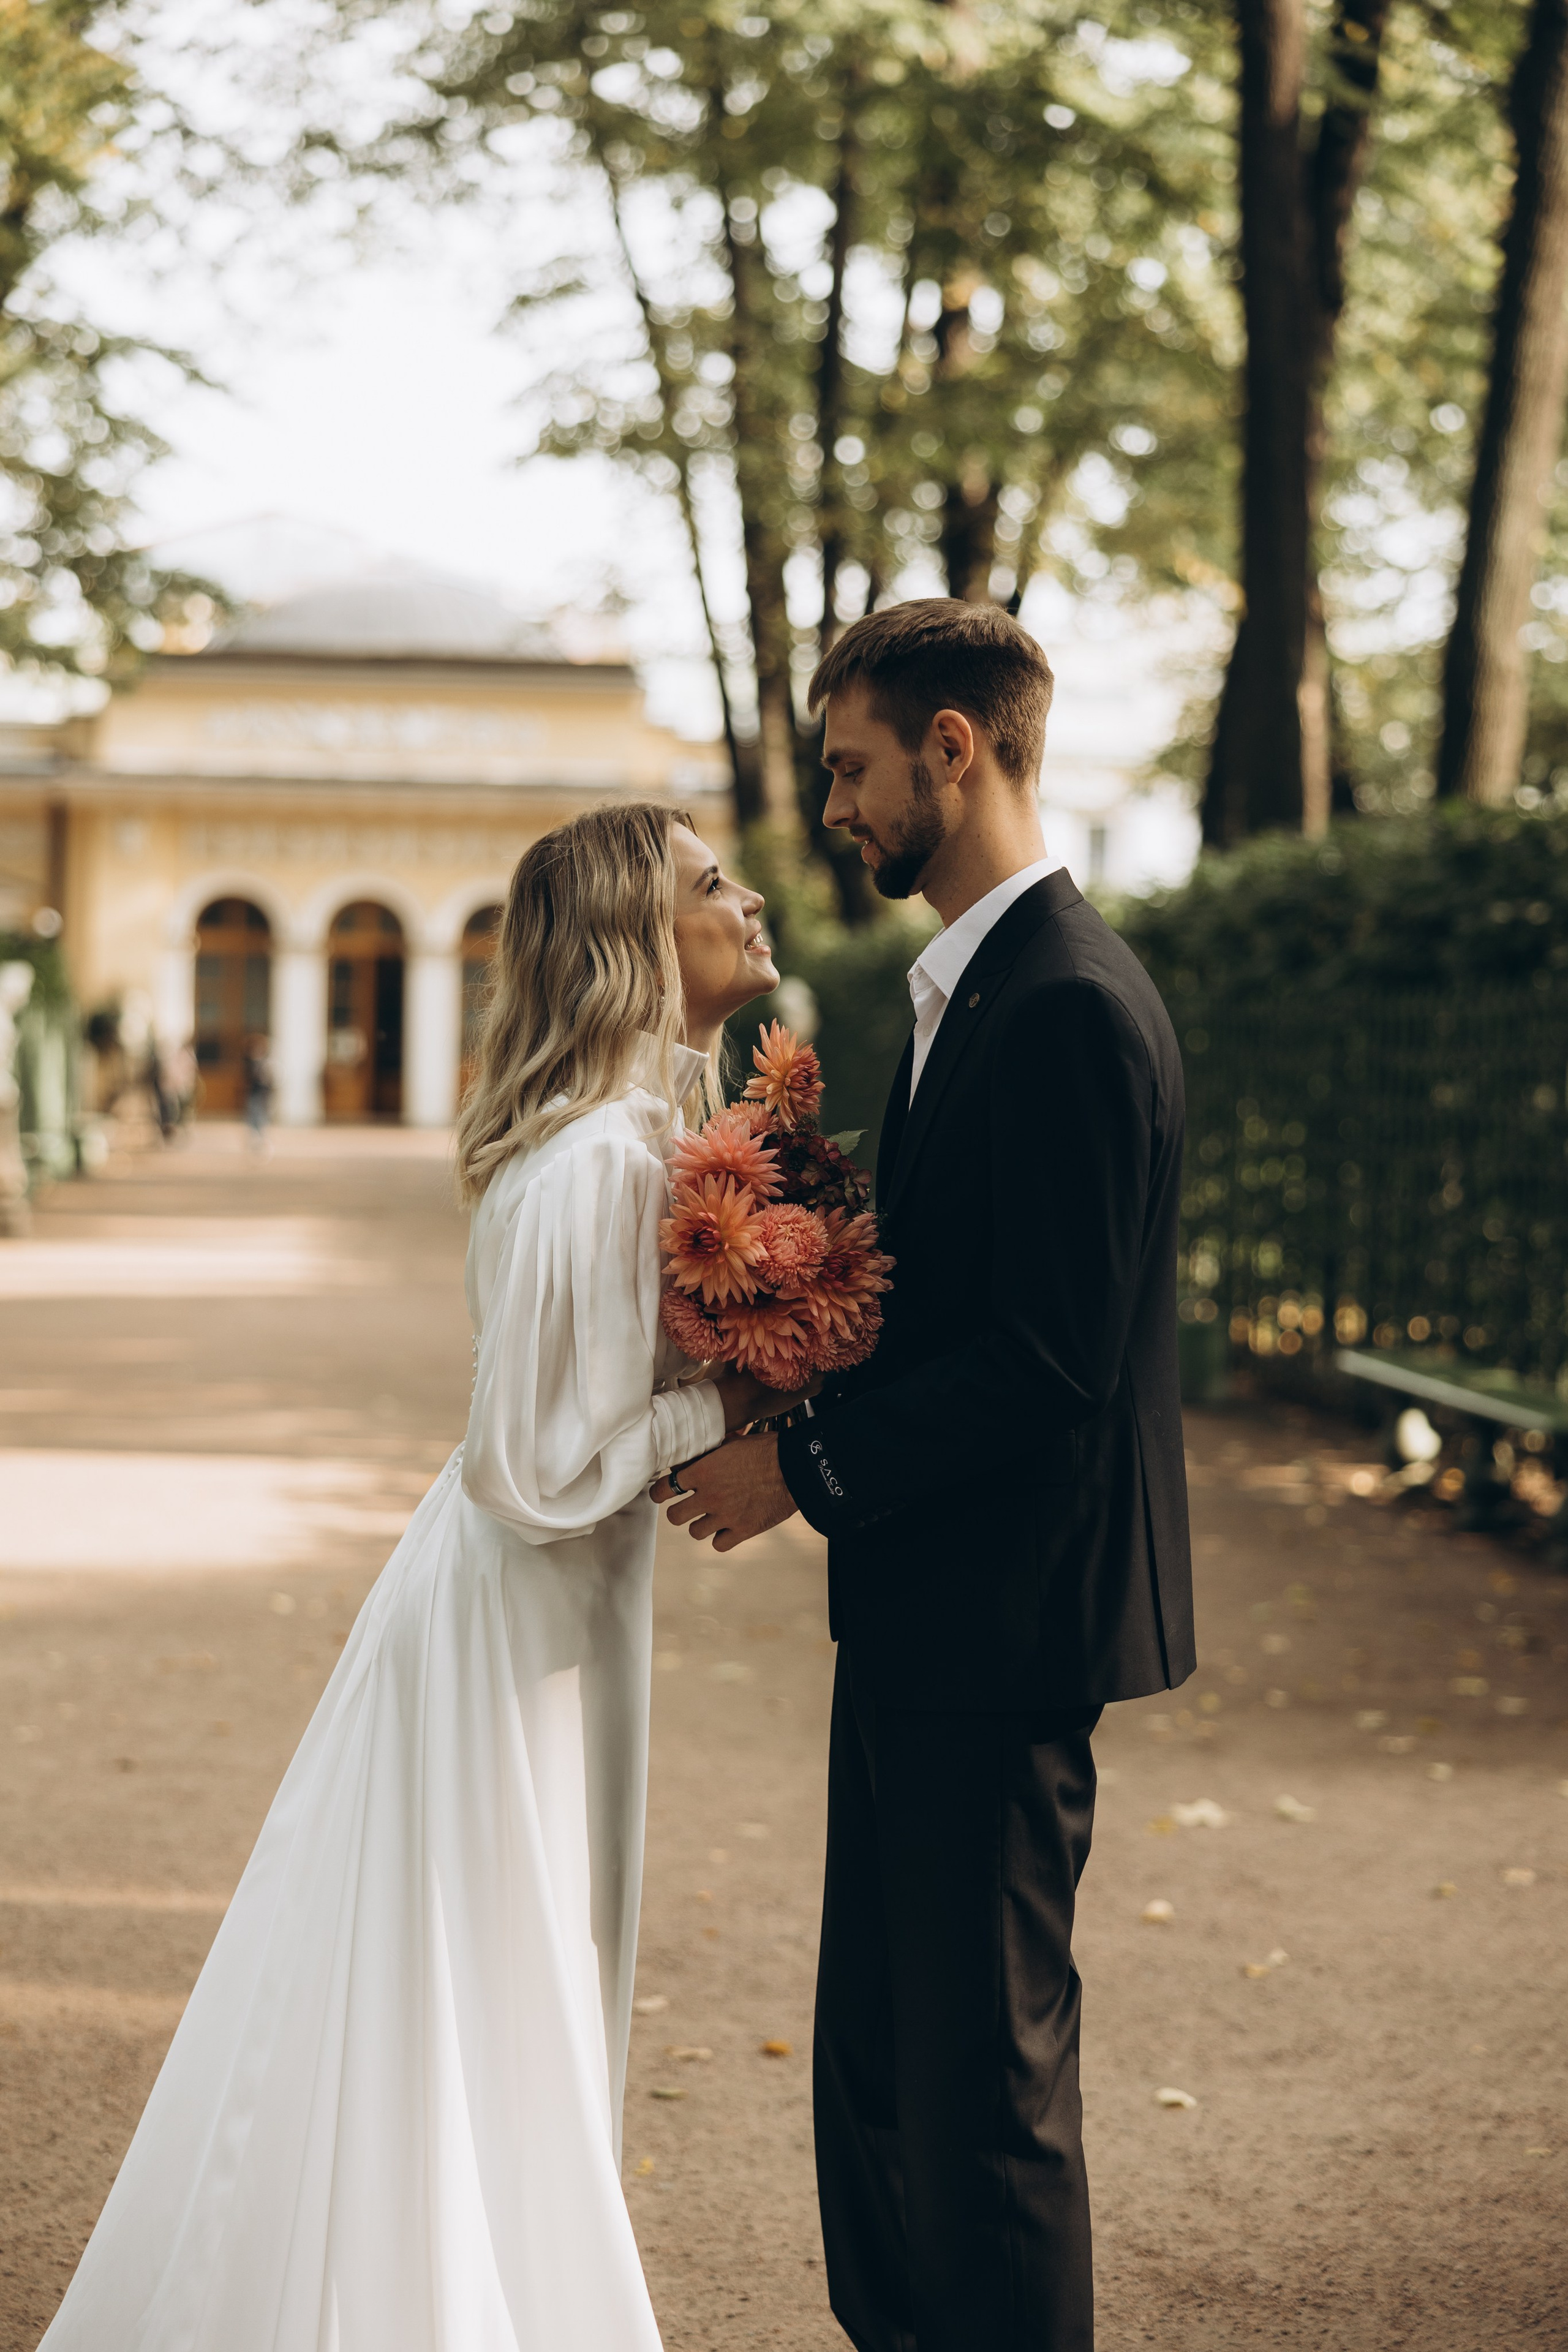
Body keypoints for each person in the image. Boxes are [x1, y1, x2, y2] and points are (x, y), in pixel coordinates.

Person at [39, 803, 783, 2351]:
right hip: (514, 1619)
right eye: (713, 882)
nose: (752, 897)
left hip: (551, 1606)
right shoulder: (595, 1162)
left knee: (508, 1960)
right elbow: (532, 1466)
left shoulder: (632, 1141)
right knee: (489, 1965)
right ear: (633, 941)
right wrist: (739, 1396)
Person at [656, 600, 1196, 2352]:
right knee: (887, 2061)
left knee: (982, 2087)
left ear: (951, 750)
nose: (833, 808)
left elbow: (1050, 1355)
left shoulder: (1069, 1006)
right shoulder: (972, 991)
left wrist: (798, 1466)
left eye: (851, 768)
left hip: (1004, 1626)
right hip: (928, 1608)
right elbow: (947, 1297)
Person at [243, 1033, 274, 1150]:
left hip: (261, 1095)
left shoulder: (265, 1063)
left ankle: (262, 1140)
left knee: (261, 1117)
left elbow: (267, 1080)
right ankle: (255, 1139)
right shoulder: (250, 1063)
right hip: (254, 1094)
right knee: (253, 1117)